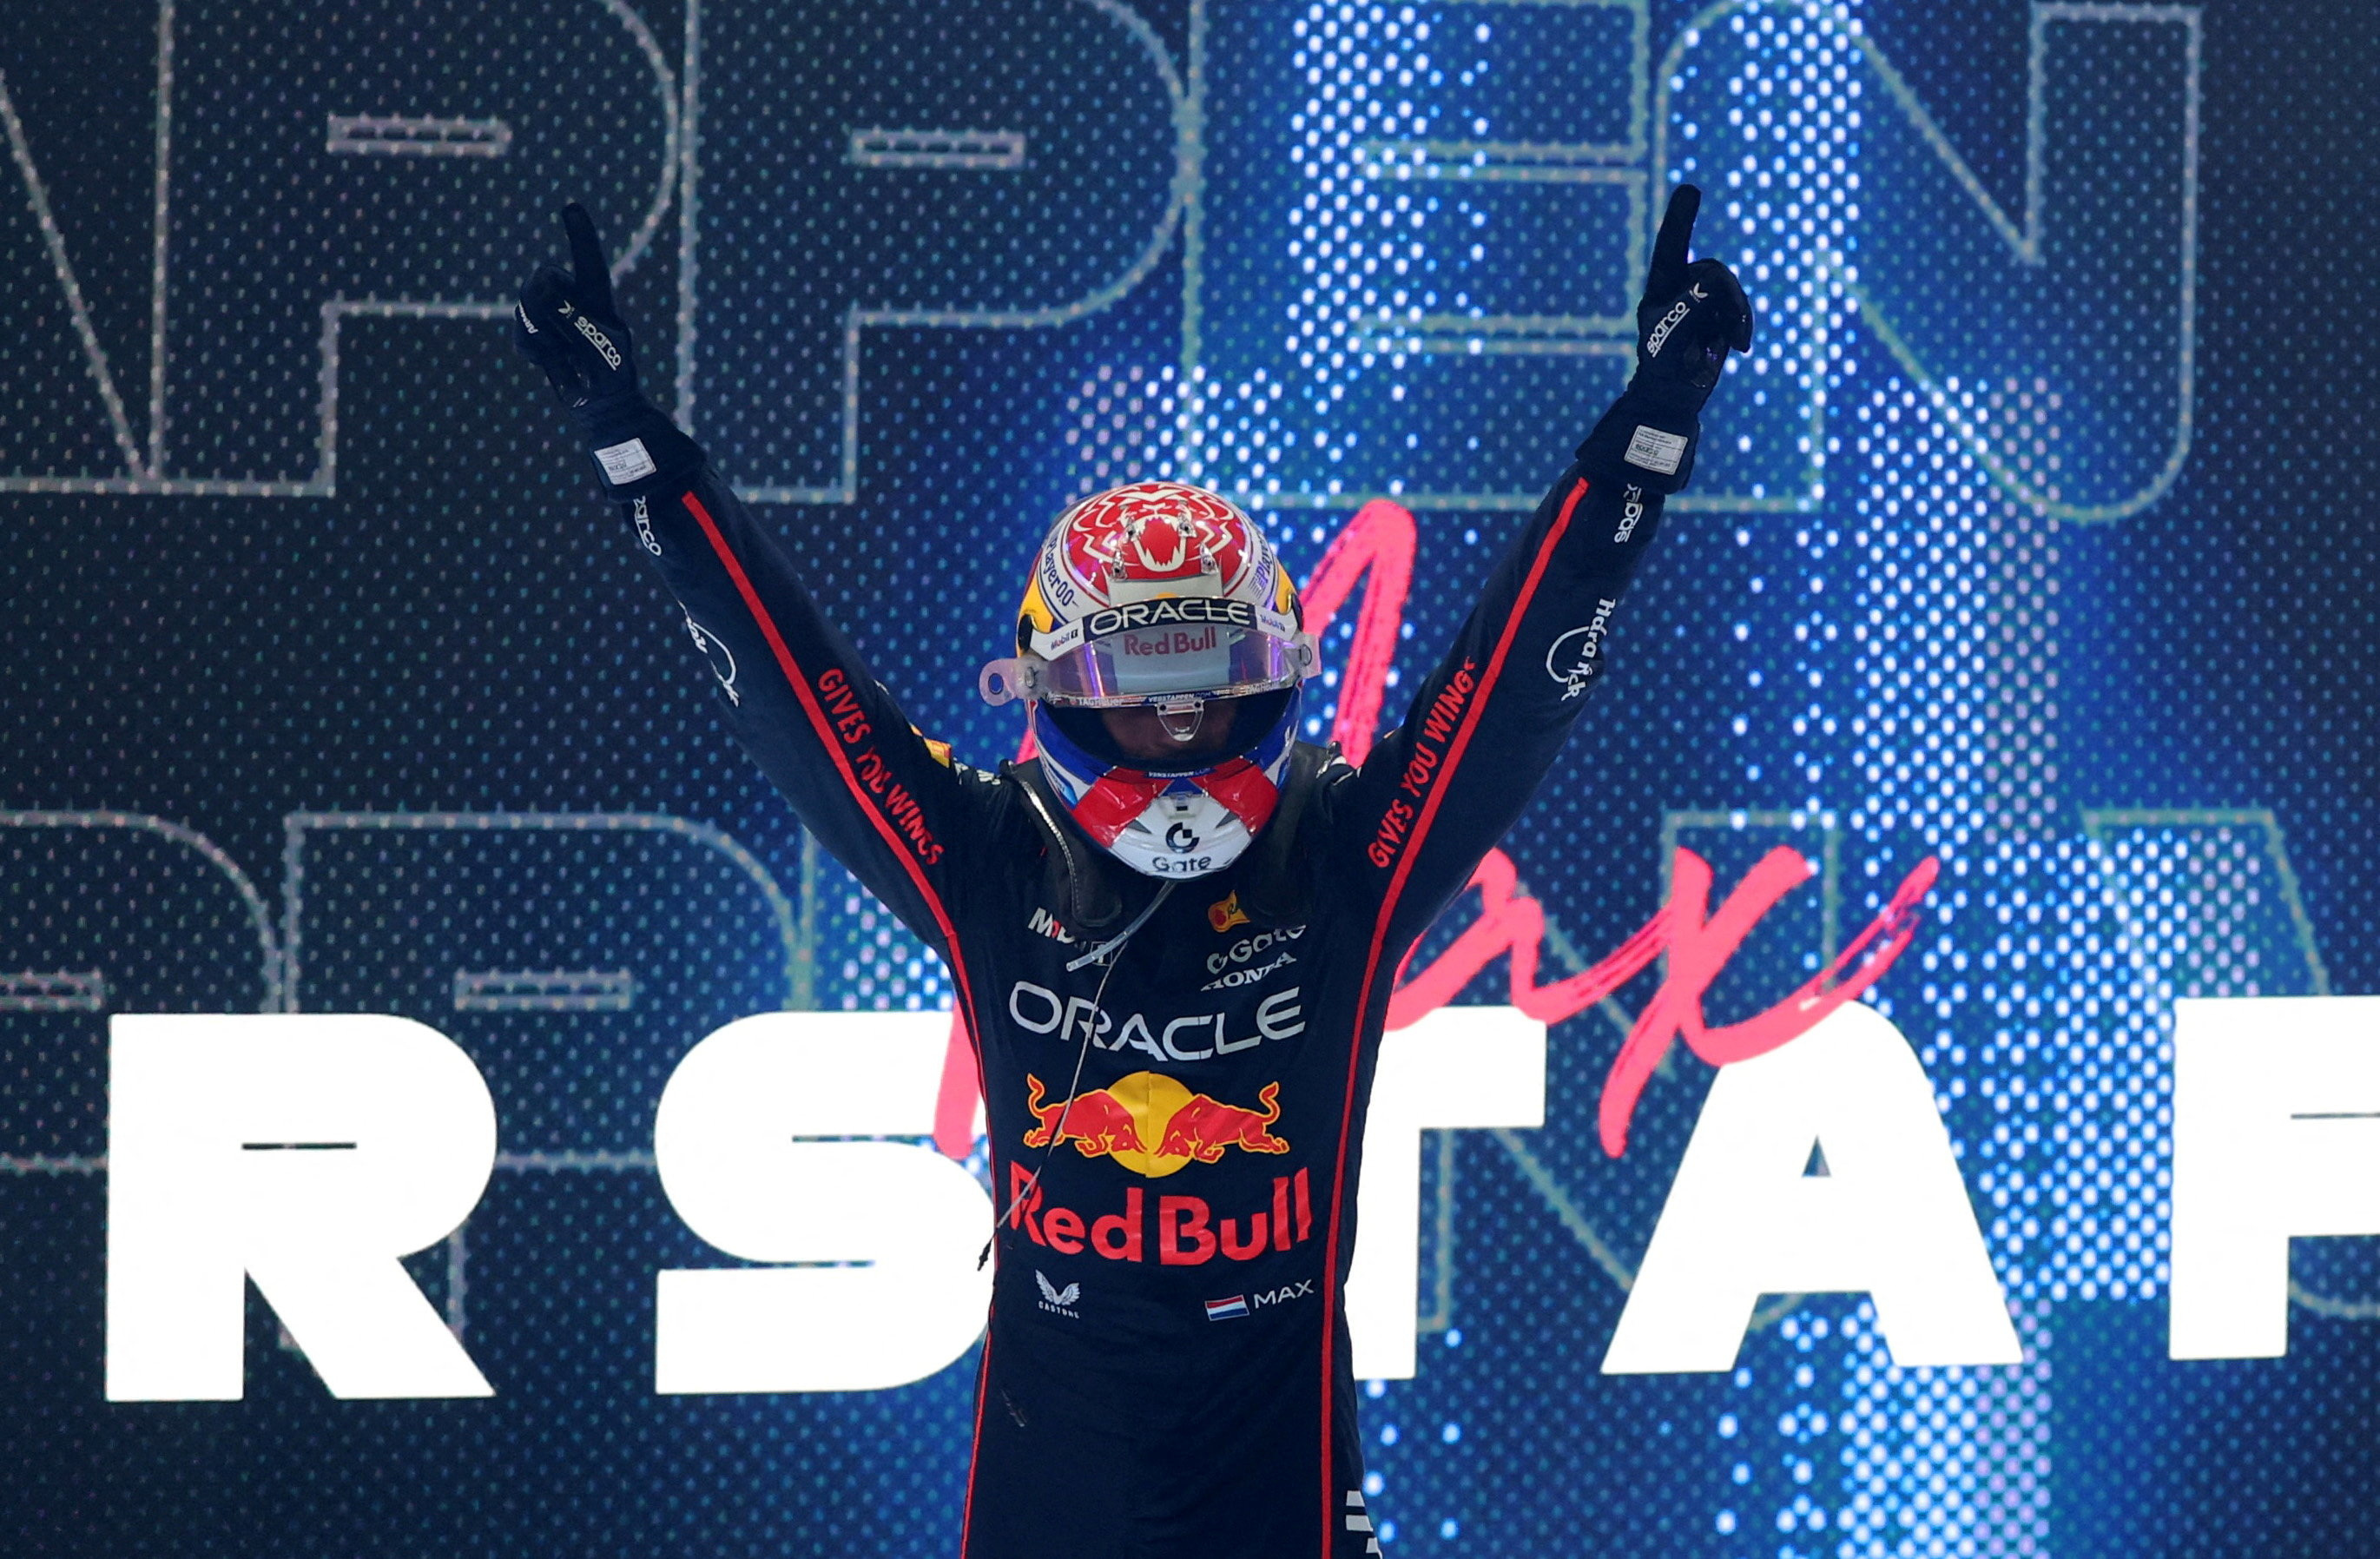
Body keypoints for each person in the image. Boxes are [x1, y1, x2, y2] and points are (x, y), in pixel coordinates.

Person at [516, 186, 1750, 1559]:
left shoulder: (1347, 850)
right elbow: (793, 692)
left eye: (1216, 687)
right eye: (1138, 693)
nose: (1177, 727)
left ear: (1276, 676)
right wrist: (630, 444)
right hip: (1053, 1469)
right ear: (1054, 690)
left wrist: (1650, 432)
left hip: (1278, 1466)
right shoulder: (983, 854)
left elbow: (1510, 685)